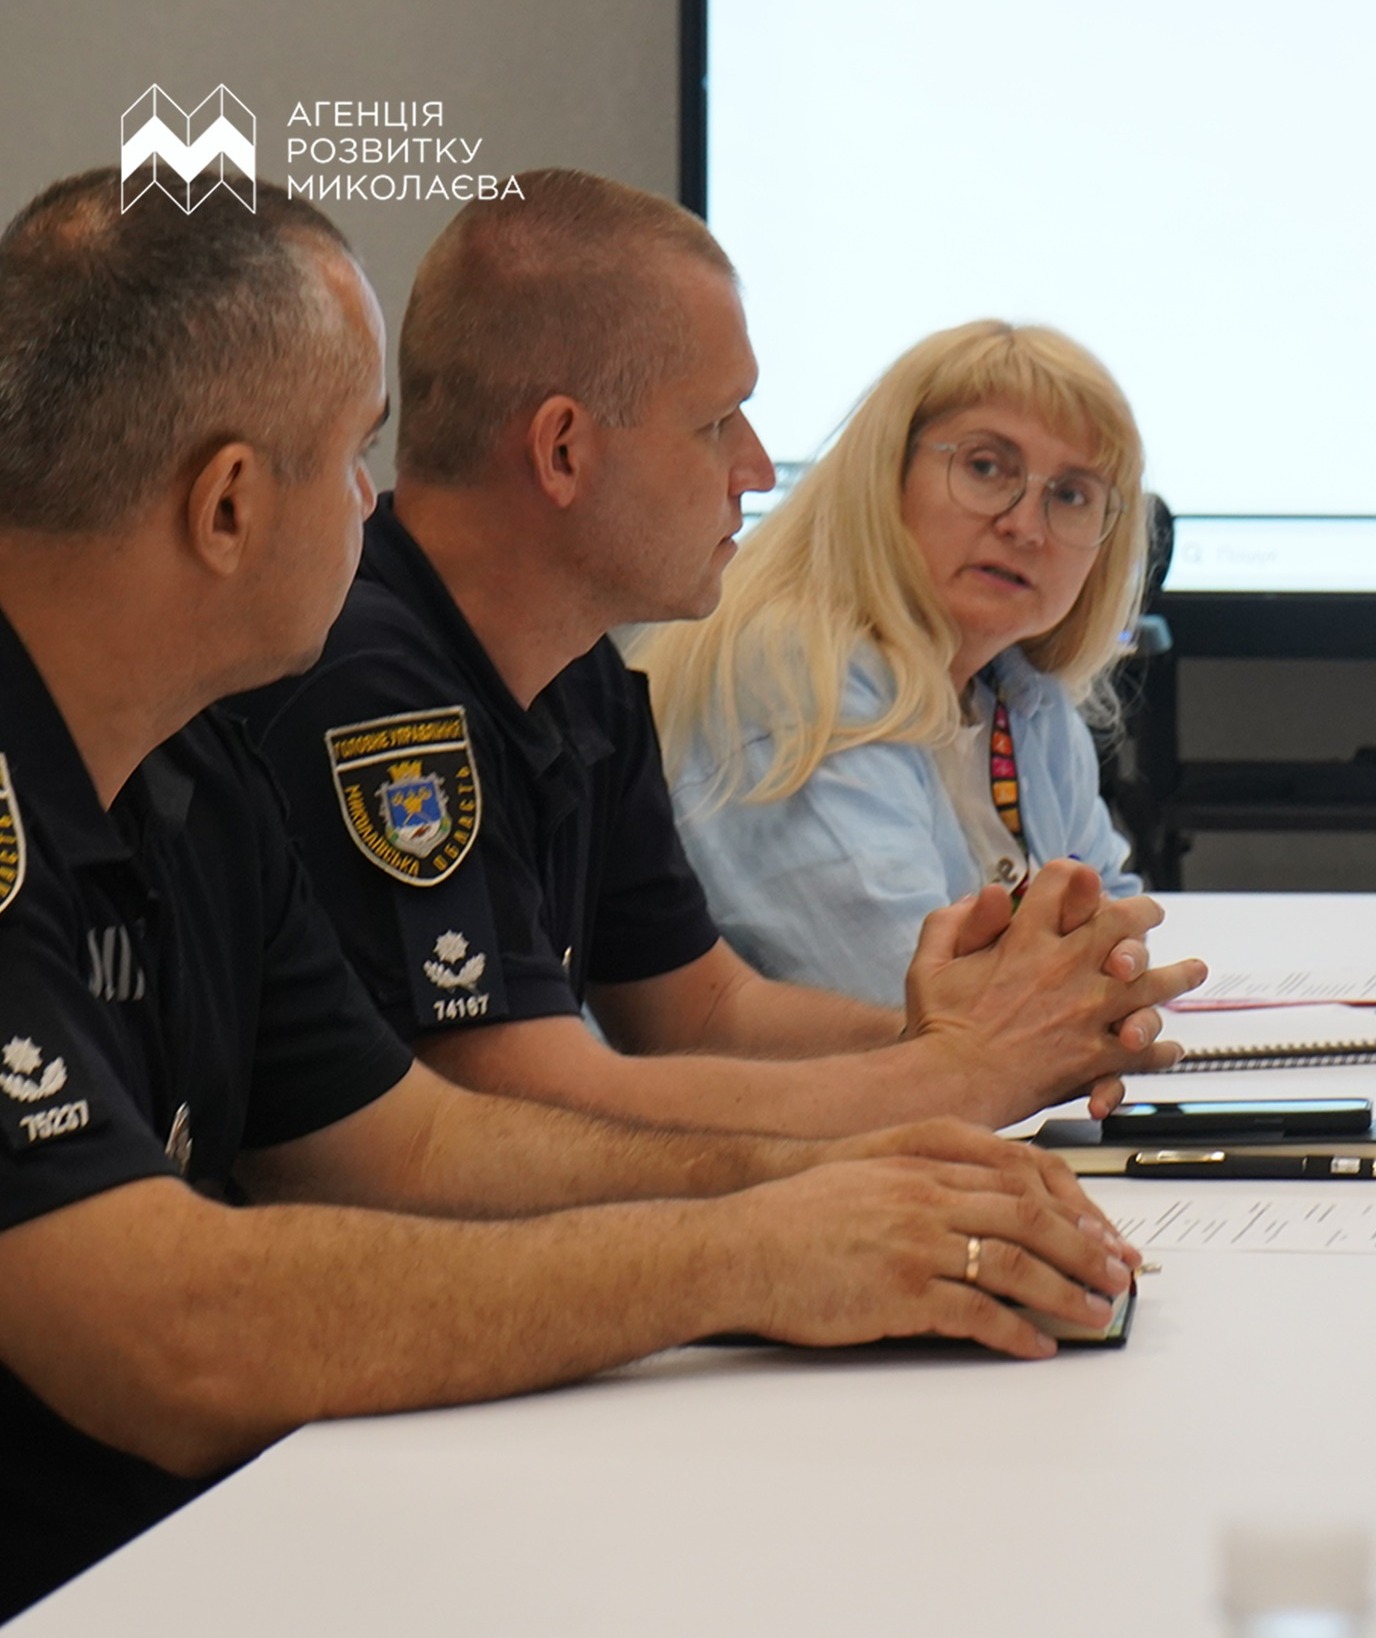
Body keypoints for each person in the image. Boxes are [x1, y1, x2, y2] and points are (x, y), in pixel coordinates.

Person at [0, 170, 1140, 1622]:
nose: (372, 502)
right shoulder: (268, 713)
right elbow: (170, 1335)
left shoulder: (190, 764)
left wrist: (832, 1187)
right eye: (352, 455)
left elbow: (406, 1146)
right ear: (228, 506)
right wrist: (753, 1244)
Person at [236, 170, 1206, 1139]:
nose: (754, 467)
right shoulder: (374, 689)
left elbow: (701, 1012)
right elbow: (522, 1099)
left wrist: (956, 1042)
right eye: (715, 423)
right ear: (564, 451)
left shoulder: (576, 676)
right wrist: (961, 1072)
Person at [640, 320, 1152, 1006]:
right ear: (889, 473)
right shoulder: (797, 673)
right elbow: (902, 995)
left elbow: (1118, 927)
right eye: (985, 467)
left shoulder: (1024, 697)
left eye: (1070, 495)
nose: (1025, 526)